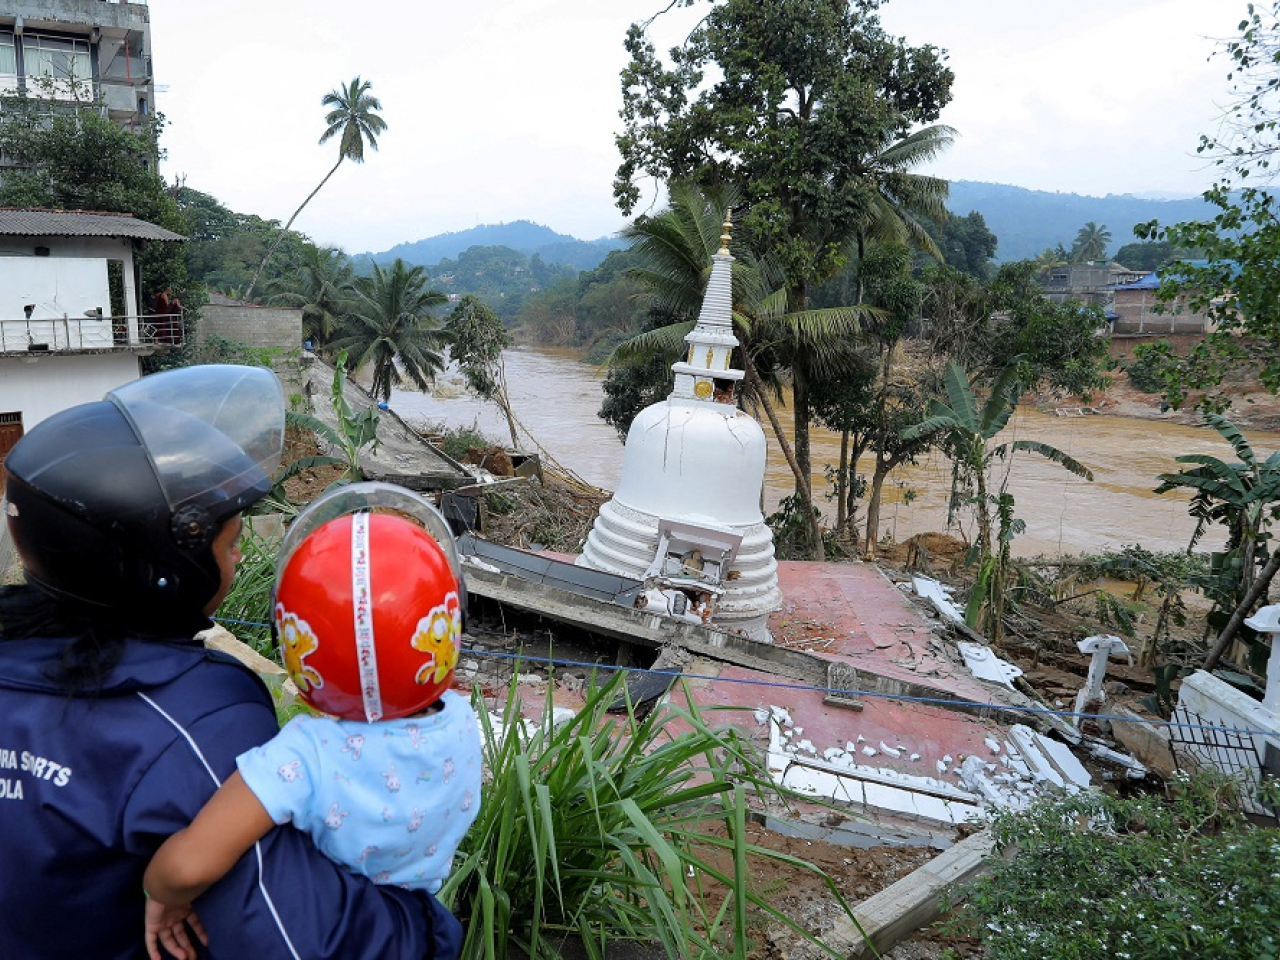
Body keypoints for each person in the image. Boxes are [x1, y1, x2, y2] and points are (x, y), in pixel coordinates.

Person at [0, 365, 461, 959]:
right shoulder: (199, 719)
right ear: (165, 570)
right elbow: (296, 940)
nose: (241, 552)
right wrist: (425, 926)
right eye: (231, 541)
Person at [143, 483, 482, 960]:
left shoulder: (307, 753)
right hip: (419, 924)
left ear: (294, 645)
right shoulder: (463, 722)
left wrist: (161, 893)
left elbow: (187, 868)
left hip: (324, 927)